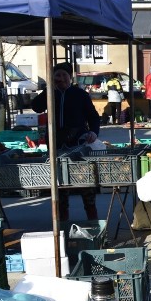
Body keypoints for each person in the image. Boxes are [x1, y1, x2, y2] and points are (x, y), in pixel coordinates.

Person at [31, 62, 100, 221]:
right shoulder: (50, 94)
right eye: (57, 75)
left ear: (70, 77)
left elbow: (93, 117)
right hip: (56, 146)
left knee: (86, 187)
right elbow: (36, 107)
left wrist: (94, 132)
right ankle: (62, 226)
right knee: (60, 188)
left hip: (79, 146)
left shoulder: (80, 94)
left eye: (64, 75)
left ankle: (94, 222)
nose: (60, 78)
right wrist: (48, 89)